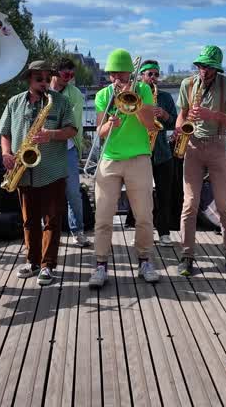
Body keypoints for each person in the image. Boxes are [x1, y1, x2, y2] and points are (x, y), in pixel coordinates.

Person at [0, 60, 76, 287]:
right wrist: (6, 154)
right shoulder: (14, 102)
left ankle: (47, 266)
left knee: (52, 220)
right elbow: (4, 133)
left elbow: (71, 130)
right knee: (28, 220)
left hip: (52, 169)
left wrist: (51, 134)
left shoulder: (60, 101)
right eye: (38, 79)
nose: (43, 83)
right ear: (29, 79)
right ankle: (32, 261)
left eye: (45, 78)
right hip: (23, 169)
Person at [89, 49, 160, 288]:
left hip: (139, 157)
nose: (116, 79)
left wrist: (133, 99)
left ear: (130, 73)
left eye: (121, 74)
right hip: (109, 159)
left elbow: (150, 125)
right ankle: (100, 265)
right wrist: (109, 124)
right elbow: (99, 133)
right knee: (103, 216)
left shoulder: (144, 90)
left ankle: (144, 261)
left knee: (143, 215)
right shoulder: (102, 95)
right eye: (112, 75)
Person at [174, 45, 226, 277]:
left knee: (224, 204)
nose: (202, 70)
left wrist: (211, 115)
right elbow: (181, 115)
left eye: (207, 67)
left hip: (217, 145)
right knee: (189, 204)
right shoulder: (187, 84)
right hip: (192, 145)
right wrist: (180, 127)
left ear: (216, 69)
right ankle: (187, 255)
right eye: (200, 66)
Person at [137, 60, 179, 247]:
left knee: (164, 194)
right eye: (150, 74)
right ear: (142, 76)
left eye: (156, 74)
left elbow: (175, 123)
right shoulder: (135, 95)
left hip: (161, 152)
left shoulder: (165, 97)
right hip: (139, 151)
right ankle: (141, 232)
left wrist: (165, 115)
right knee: (140, 196)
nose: (153, 78)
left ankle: (164, 232)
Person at [50, 58, 91, 248]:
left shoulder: (74, 94)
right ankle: (46, 232)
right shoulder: (43, 90)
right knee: (45, 194)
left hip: (67, 149)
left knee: (73, 193)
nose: (69, 78)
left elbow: (72, 124)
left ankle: (78, 231)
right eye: (65, 74)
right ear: (55, 73)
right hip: (45, 150)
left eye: (72, 75)